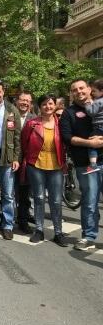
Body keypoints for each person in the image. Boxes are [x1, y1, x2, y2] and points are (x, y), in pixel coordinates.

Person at [60, 79, 103, 251]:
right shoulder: (68, 113)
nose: (79, 91)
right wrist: (89, 143)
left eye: (81, 88)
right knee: (90, 201)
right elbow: (67, 138)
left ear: (89, 89)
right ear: (71, 93)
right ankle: (88, 236)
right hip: (86, 164)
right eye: (74, 89)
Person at [21, 94, 67, 247]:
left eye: (51, 104)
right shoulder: (32, 124)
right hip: (36, 166)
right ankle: (39, 230)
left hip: (56, 167)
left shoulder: (61, 124)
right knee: (39, 198)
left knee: (56, 200)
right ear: (39, 107)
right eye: (45, 104)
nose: (48, 107)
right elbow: (24, 143)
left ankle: (58, 232)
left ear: (55, 105)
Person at [0, 79, 21, 240]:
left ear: (3, 92)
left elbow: (17, 137)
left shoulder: (12, 110)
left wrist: (16, 158)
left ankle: (8, 224)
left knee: (7, 194)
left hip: (7, 157)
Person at [14, 91, 36, 233]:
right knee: (8, 192)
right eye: (22, 100)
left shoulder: (35, 119)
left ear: (30, 103)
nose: (24, 103)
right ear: (17, 101)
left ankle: (23, 220)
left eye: (27, 101)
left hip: (27, 162)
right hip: (11, 159)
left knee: (24, 193)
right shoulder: (9, 116)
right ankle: (6, 219)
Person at [83, 78, 103, 174]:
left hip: (99, 126)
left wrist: (87, 104)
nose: (92, 93)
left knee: (92, 143)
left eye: (94, 91)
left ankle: (93, 164)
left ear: (101, 91)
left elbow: (91, 112)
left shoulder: (98, 101)